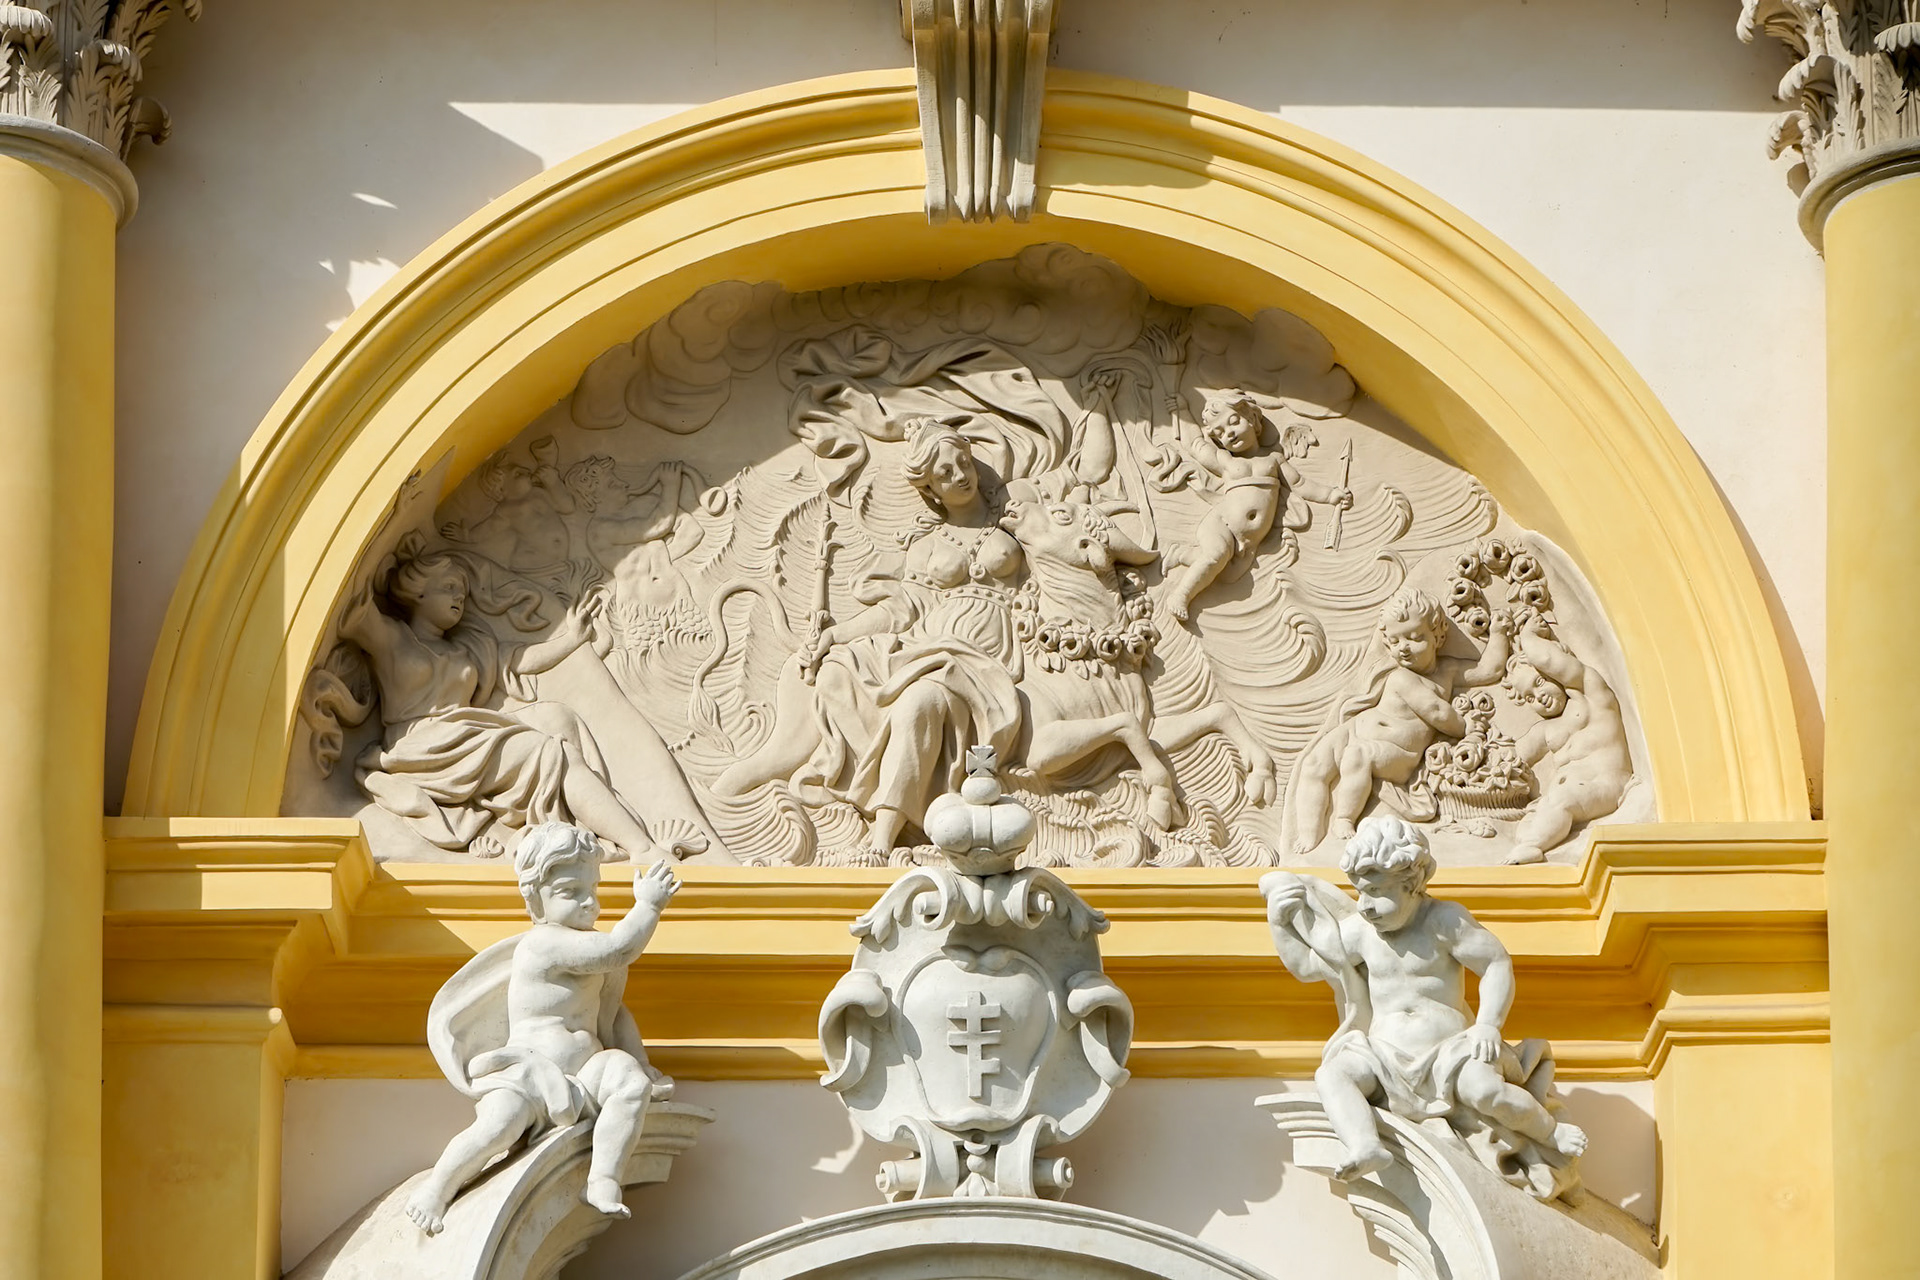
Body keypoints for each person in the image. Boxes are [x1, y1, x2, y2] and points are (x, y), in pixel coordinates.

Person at [713, 418, 1024, 860]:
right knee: (840, 670)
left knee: (919, 701)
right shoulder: (927, 546)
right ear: (931, 490)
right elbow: (900, 609)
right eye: (945, 473)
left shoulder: (1017, 519)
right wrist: (834, 635)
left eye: (962, 463)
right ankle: (885, 796)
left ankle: (882, 837)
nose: (960, 476)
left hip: (981, 658)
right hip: (931, 648)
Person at [1261, 816, 1586, 1199]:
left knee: (1485, 1092)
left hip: (1451, 1052)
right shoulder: (1362, 932)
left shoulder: (1444, 921)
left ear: (1412, 882)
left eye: (1377, 892)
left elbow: (1496, 964)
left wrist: (1487, 1025)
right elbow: (1308, 968)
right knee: (1334, 1075)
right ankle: (1366, 1145)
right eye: (1360, 893)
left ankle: (1550, 1132)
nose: (1365, 906)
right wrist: (1280, 926)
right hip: (1384, 1054)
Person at [330, 540, 693, 862]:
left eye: (463, 591)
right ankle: (640, 848)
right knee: (550, 753)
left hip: (464, 738)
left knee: (558, 719)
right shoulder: (392, 638)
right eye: (450, 588)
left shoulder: (467, 651)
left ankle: (598, 824)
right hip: (421, 748)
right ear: (418, 593)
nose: (460, 597)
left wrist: (573, 639)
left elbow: (521, 659)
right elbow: (346, 596)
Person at [406, 824, 678, 1233]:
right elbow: (620, 947)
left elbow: (613, 1014)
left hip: (586, 1073)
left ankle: (603, 1178)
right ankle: (437, 1188)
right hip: (530, 1074)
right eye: (571, 892)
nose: (590, 904)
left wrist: (640, 1063)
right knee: (498, 1125)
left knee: (630, 1083)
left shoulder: (592, 955)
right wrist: (648, 907)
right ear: (535, 901)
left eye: (594, 891)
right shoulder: (544, 944)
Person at [1287, 590, 1510, 857]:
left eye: (1415, 638)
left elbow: (1478, 680)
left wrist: (1499, 632)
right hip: (1355, 730)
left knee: (1358, 757)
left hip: (1394, 754)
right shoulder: (1398, 674)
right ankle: (1309, 834)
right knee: (1314, 765)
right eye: (1394, 640)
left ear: (1438, 636)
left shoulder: (1428, 675)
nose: (1403, 647)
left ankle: (1344, 818)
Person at [1162, 392, 1351, 622]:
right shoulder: (1228, 462)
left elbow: (1300, 484)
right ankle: (1180, 595)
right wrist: (1181, 411)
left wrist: (1331, 495)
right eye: (1220, 432)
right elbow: (1196, 445)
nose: (1229, 433)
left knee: (1226, 571)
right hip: (1221, 523)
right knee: (1215, 556)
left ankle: (1182, 554)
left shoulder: (1273, 460)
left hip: (1248, 541)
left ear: (1252, 419)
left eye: (1234, 422)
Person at [1501, 614, 1632, 865]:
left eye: (1539, 683)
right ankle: (1532, 841)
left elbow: (1548, 659)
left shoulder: (1591, 694)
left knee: (1563, 801)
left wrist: (1528, 636)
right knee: (1531, 820)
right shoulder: (1548, 730)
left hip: (1606, 785)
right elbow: (1512, 758)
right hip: (1566, 798)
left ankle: (1533, 847)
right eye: (1529, 698)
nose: (1539, 697)